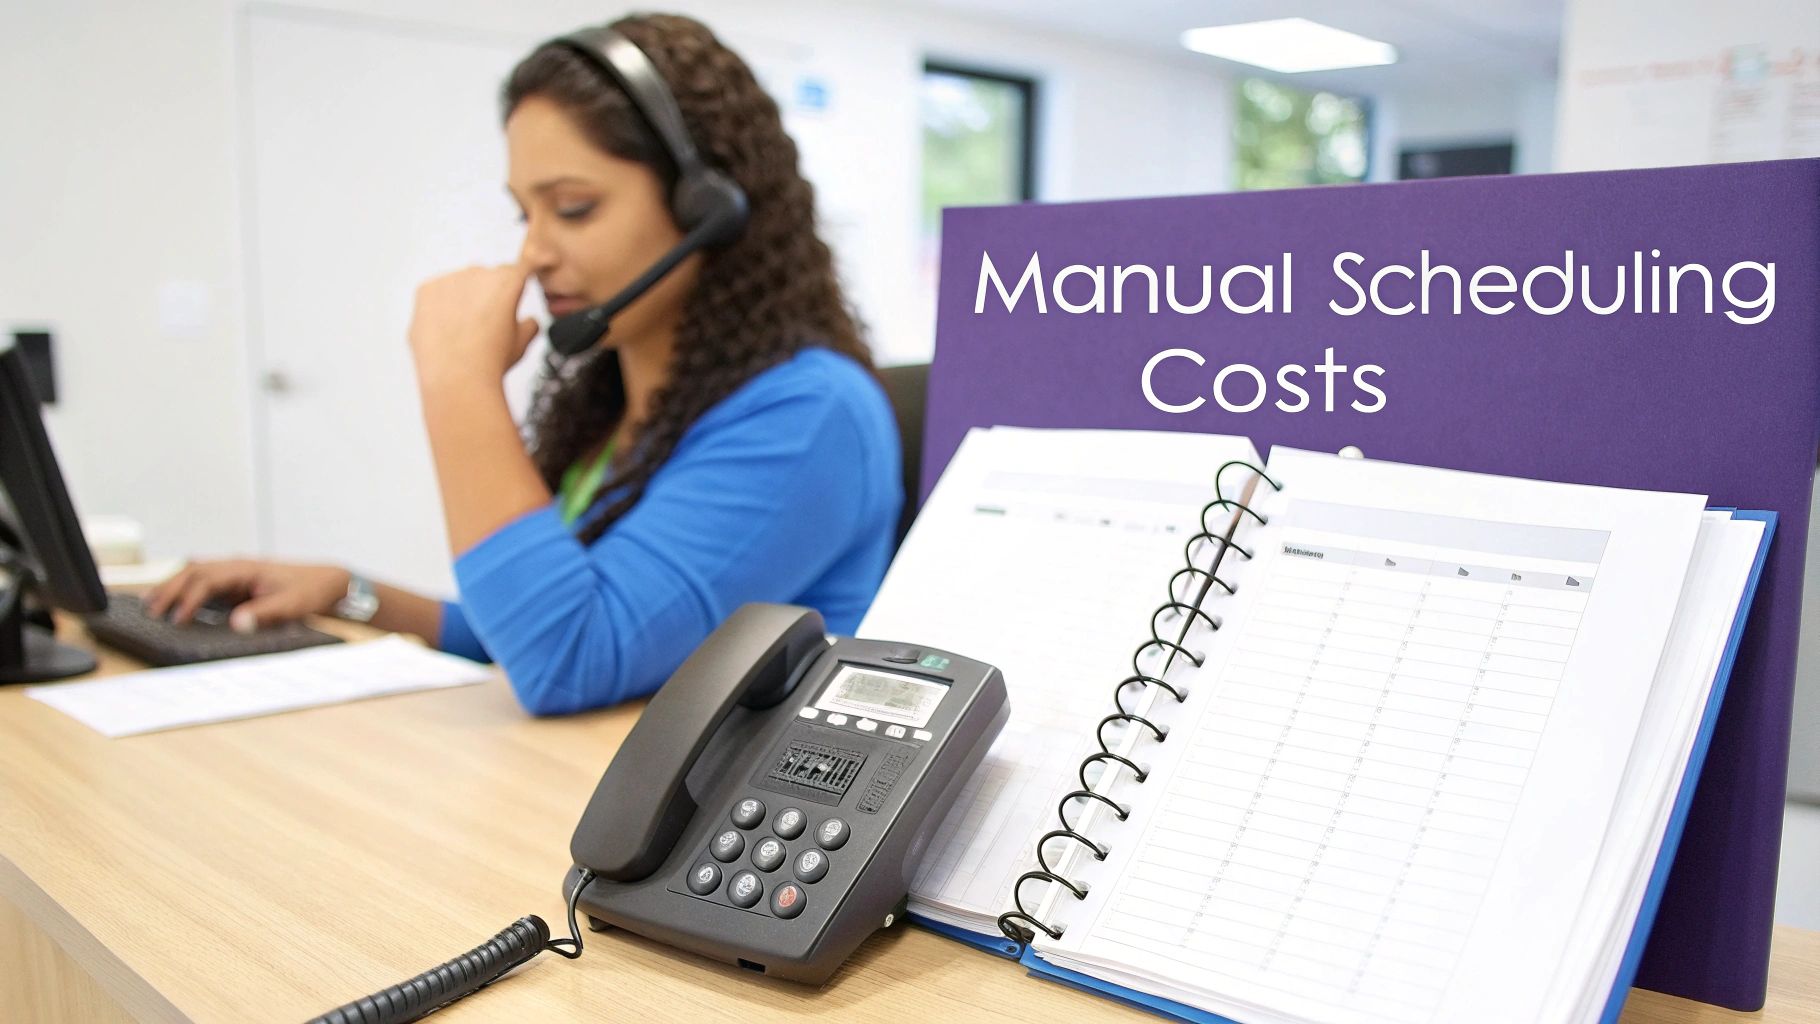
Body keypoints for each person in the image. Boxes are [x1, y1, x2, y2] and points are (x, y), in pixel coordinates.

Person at [143, 14, 901, 715]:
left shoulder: (812, 414)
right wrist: (349, 592)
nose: (533, 252)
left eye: (572, 208)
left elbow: (568, 656)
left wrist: (458, 382)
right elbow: (521, 625)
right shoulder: (617, 403)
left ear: (707, 208)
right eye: (523, 213)